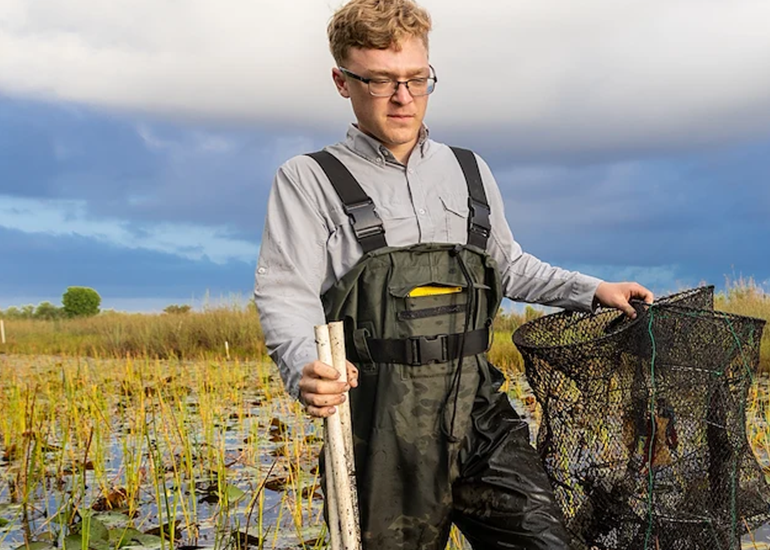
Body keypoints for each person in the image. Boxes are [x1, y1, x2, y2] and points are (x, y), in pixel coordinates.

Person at [251, 0, 653, 547]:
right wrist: (302, 364)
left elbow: (508, 266)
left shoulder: (469, 169)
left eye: (417, 79)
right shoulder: (308, 179)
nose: (403, 97)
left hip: (478, 406)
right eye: (381, 81)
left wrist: (593, 291)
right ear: (342, 82)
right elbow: (285, 291)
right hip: (381, 423)